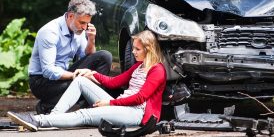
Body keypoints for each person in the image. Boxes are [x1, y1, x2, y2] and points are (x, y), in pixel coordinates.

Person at [8, 30, 166, 132]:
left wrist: (109, 104)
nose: (133, 52)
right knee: (80, 80)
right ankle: (55, 118)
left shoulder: (157, 70)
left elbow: (140, 98)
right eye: (133, 48)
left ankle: (38, 120)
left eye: (137, 49)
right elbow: (114, 82)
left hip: (136, 113)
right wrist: (91, 73)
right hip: (122, 104)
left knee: (85, 114)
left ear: (149, 49)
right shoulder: (139, 66)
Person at [28, 0, 113, 114]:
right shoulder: (50, 31)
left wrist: (91, 39)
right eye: (82, 23)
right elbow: (48, 71)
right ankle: (47, 105)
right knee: (83, 80)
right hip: (42, 82)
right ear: (70, 16)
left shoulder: (78, 30)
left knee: (104, 56)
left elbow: (88, 57)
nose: (84, 27)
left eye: (87, 23)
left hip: (64, 75)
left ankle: (90, 107)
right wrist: (75, 76)